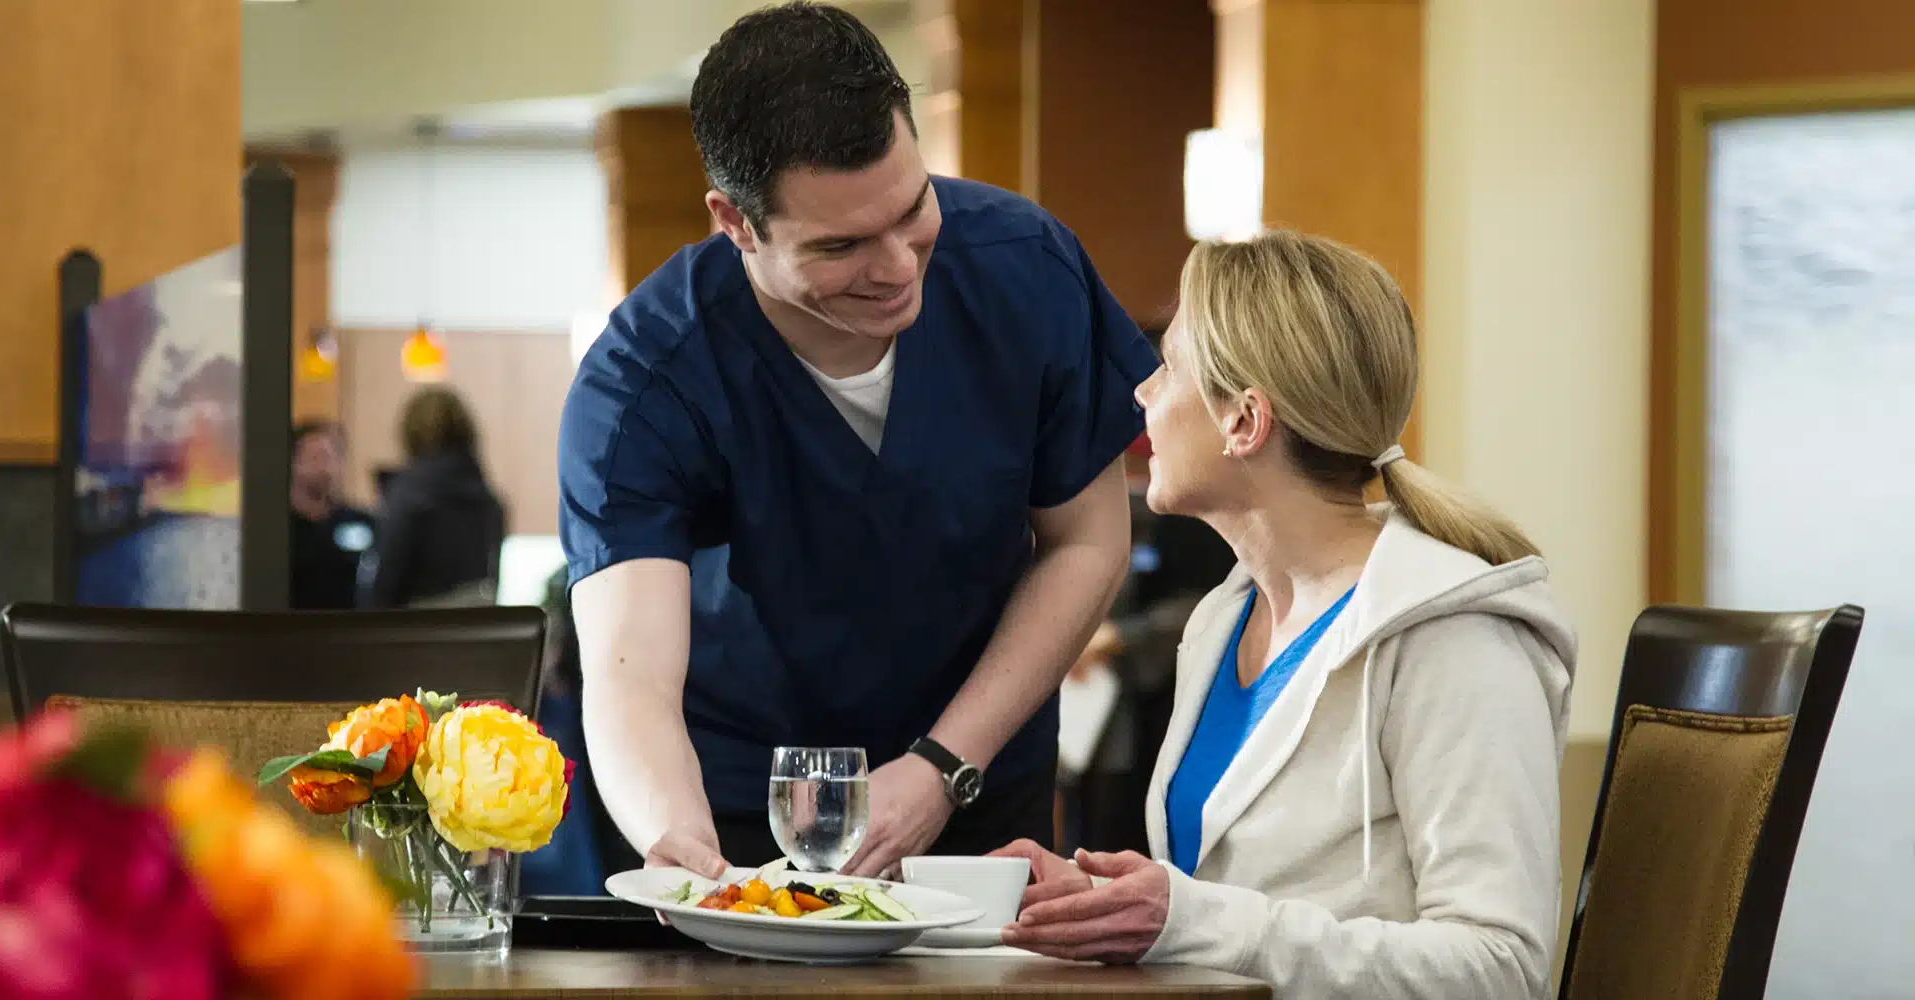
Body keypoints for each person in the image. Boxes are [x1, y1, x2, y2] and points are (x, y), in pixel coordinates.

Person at [558, 1, 1154, 881]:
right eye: (840, 246)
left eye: (913, 208)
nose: (898, 266)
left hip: (982, 776)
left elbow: (1088, 541)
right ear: (736, 223)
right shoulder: (643, 380)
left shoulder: (1026, 269)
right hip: (744, 805)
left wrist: (944, 767)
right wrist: (678, 844)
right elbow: (630, 674)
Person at [995, 232, 1575, 1000]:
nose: (1143, 394)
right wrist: (1097, 903)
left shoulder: (1452, 637)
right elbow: (1249, 905)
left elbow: (1502, 967)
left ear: (1245, 421)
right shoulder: (1223, 621)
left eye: (1167, 367)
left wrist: (1192, 922)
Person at [360, 387, 507, 609]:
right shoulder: (489, 501)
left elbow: (388, 581)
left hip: (418, 630)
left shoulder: (408, 496)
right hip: (474, 628)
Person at [288, 421, 375, 610]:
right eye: (316, 458)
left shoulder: (363, 523)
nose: (327, 467)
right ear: (294, 463)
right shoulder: (278, 530)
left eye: (334, 458)